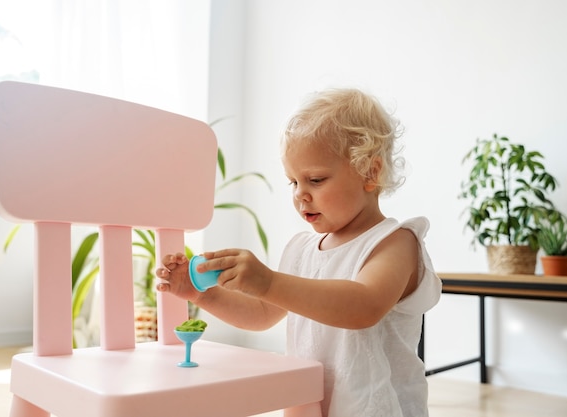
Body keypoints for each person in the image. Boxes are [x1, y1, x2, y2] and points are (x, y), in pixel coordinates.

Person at [156, 88, 442, 417]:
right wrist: (203, 295)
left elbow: (363, 306)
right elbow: (262, 313)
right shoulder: (302, 250)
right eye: (293, 182)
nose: (300, 195)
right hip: (310, 403)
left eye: (315, 180)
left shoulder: (395, 242)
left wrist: (268, 282)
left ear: (369, 172)